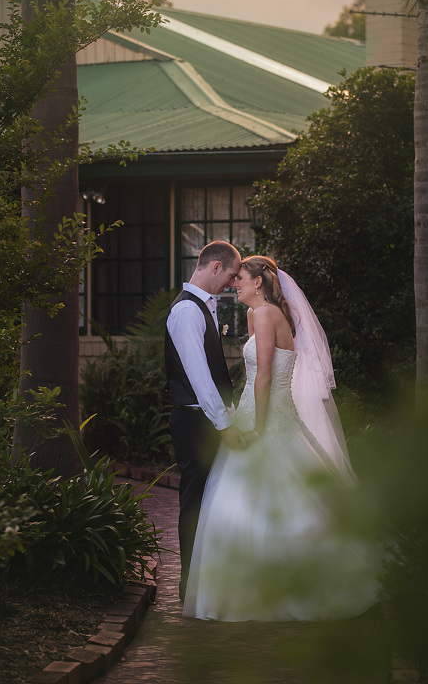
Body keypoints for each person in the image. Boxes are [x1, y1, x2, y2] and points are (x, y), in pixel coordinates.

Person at [183, 255, 379, 621]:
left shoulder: (266, 314)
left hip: (269, 415)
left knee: (273, 496)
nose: (234, 284)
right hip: (255, 410)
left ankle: (272, 590)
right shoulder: (254, 315)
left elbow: (264, 377)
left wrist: (257, 425)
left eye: (239, 278)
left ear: (258, 281)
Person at [165, 240, 245, 602]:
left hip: (208, 420)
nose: (232, 281)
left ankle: (208, 581)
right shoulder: (187, 312)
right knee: (196, 502)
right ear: (215, 267)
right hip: (197, 423)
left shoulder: (206, 307)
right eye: (230, 274)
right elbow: (199, 377)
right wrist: (224, 426)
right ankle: (190, 586)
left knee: (214, 500)